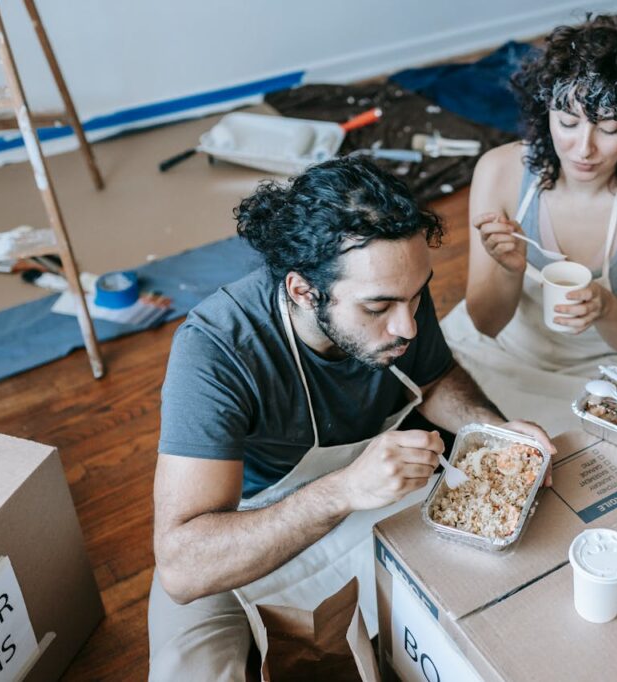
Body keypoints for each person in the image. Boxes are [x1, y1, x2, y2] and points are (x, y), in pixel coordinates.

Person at [147, 157, 554, 680]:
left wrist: (490, 431)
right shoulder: (216, 349)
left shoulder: (397, 287)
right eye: (378, 307)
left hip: (378, 498)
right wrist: (342, 490)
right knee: (194, 671)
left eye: (415, 297)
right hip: (251, 522)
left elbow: (432, 379)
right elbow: (183, 566)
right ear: (302, 290)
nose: (407, 326)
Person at [441, 15, 617, 436]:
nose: (584, 149)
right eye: (567, 122)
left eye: (610, 127)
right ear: (546, 111)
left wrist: (605, 307)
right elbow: (486, 325)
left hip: (606, 373)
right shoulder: (501, 172)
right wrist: (508, 269)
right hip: (502, 356)